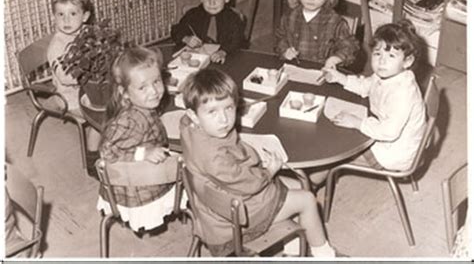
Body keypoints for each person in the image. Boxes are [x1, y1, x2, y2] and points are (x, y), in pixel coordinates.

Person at [179, 68, 335, 257]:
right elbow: (248, 183)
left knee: (297, 185)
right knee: (307, 199)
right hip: (236, 221)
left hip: (217, 212)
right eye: (212, 112)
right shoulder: (213, 157)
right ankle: (325, 255)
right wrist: (269, 171)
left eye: (228, 108)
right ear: (194, 115)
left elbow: (227, 160)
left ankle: (293, 251)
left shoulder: (190, 128)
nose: (224, 119)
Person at [96, 46, 182, 232]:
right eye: (143, 87)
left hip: (145, 178)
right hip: (139, 189)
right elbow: (106, 152)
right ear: (124, 92)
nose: (154, 91)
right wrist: (143, 153)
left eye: (157, 81)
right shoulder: (129, 120)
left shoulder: (141, 106)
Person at [322, 20, 426, 171]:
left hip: (394, 153)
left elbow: (389, 132)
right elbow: (365, 86)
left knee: (334, 150)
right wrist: (339, 77)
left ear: (407, 61)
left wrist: (357, 123)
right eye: (377, 53)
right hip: (385, 134)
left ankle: (310, 186)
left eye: (391, 55)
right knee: (339, 128)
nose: (382, 61)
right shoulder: (387, 74)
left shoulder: (402, 93)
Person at [46, 0, 101, 177]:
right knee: (100, 119)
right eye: (60, 14)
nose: (66, 20)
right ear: (54, 16)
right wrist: (91, 71)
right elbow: (64, 77)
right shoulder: (57, 47)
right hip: (68, 97)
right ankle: (93, 159)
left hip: (88, 88)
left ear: (85, 16)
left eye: (72, 13)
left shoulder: (87, 32)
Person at [275, 0, 359, 73]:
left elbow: (351, 47)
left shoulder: (335, 22)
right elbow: (280, 37)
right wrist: (285, 50)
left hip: (323, 73)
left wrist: (336, 59)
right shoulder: (290, 16)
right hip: (293, 69)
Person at [171, 0, 245, 64]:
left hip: (222, 60)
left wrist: (223, 52)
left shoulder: (233, 18)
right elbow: (176, 30)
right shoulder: (193, 14)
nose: (212, 2)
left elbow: (237, 41)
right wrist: (186, 38)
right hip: (197, 60)